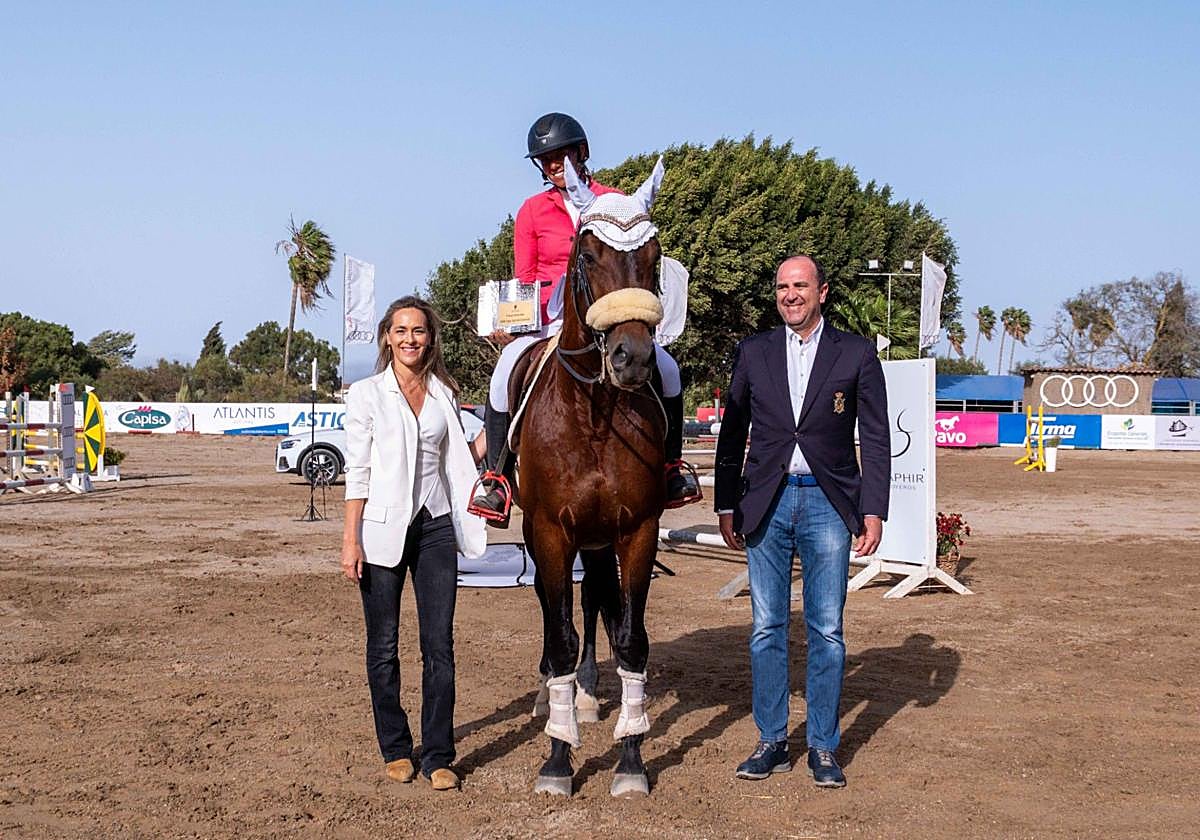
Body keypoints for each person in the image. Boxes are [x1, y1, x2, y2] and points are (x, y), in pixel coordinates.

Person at [469, 111, 699, 524]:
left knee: (669, 368)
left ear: (582, 151)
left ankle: (672, 469)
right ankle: (497, 480)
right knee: (504, 372)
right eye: (547, 159)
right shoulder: (532, 211)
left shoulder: (616, 201)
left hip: (610, 315)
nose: (556, 164)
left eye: (562, 155)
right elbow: (527, 275)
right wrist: (517, 318)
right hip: (553, 321)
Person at [714, 255, 890, 788]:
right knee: (766, 627)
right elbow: (731, 433)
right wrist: (726, 502)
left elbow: (877, 438)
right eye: (782, 287)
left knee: (827, 629)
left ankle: (823, 747)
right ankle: (771, 741)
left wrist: (873, 509)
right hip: (764, 503)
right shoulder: (753, 351)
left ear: (822, 291)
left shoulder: (856, 353)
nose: (790, 295)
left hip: (828, 506)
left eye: (800, 286)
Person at [341, 295, 487, 792]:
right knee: (383, 646)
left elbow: (458, 459)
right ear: (387, 336)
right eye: (401, 330)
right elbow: (357, 472)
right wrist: (350, 540)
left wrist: (497, 434)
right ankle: (396, 748)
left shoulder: (444, 391)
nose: (410, 339)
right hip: (381, 532)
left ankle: (440, 753)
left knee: (439, 645)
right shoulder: (365, 395)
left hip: (437, 527)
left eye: (418, 331)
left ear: (430, 338)